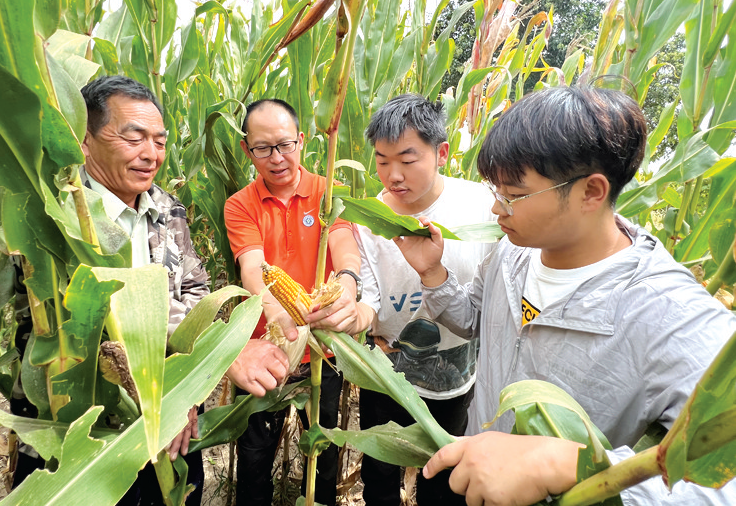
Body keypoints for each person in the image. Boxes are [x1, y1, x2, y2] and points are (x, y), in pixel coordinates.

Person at [393, 86, 736, 505]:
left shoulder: (670, 314)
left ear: (591, 192)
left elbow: (719, 482)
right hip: (472, 480)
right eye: (495, 192)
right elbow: (475, 320)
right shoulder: (513, 252)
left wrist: (569, 464)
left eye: (515, 196)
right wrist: (433, 274)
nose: (498, 209)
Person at [11, 76, 290, 505]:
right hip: (80, 427)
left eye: (159, 140)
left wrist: (181, 391)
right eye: (134, 137)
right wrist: (222, 351)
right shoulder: (55, 216)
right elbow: (89, 316)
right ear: (84, 140)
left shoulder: (164, 205)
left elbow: (195, 288)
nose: (151, 154)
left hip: (173, 413)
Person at [224, 98, 373, 506]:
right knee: (254, 455)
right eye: (263, 148)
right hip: (267, 348)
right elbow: (253, 269)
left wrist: (347, 283)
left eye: (285, 144)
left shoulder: (329, 192)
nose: (276, 158)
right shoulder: (240, 205)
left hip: (324, 349)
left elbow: (344, 247)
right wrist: (279, 315)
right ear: (247, 150)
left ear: (302, 141)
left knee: (322, 452)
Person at [355, 94, 496, 505]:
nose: (393, 175)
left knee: (444, 479)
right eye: (382, 161)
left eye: (407, 159)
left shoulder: (482, 208)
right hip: (385, 374)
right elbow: (370, 297)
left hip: (454, 379)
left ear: (442, 154)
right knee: (378, 474)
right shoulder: (369, 219)